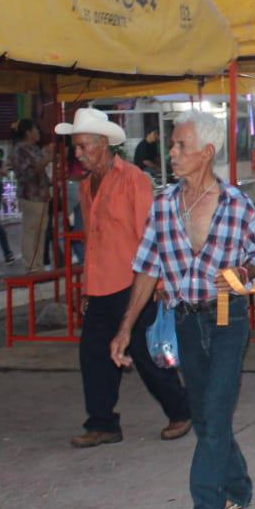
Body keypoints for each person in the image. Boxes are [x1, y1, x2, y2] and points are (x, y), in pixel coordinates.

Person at [113, 111, 255, 509]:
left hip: (226, 319)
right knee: (205, 417)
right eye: (173, 145)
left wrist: (240, 272)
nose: (172, 153)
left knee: (214, 416)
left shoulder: (237, 204)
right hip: (183, 320)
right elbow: (146, 269)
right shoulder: (163, 205)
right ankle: (238, 487)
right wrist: (125, 328)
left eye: (181, 146)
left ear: (207, 153)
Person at [57, 107, 191, 448]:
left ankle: (180, 411)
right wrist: (87, 287)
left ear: (104, 143)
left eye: (84, 146)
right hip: (101, 285)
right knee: (94, 355)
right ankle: (102, 423)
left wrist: (159, 284)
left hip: (135, 283)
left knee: (147, 355)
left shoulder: (132, 179)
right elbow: (93, 241)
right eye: (75, 147)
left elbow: (151, 233)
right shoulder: (87, 186)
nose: (79, 153)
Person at [9, 118, 52, 273]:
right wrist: (47, 159)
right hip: (31, 195)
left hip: (41, 195)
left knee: (41, 232)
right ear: (28, 132)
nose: (38, 133)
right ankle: (31, 264)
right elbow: (28, 172)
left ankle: (38, 264)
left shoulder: (34, 148)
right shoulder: (20, 150)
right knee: (31, 230)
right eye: (36, 129)